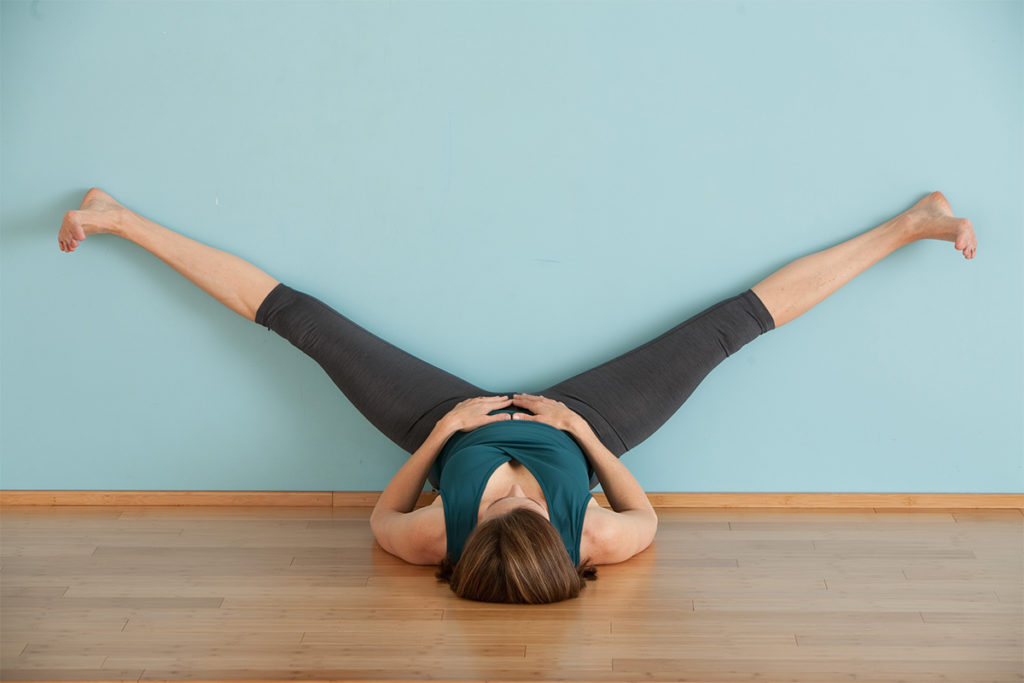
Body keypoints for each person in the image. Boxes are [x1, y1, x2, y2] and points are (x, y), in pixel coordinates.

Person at [58, 188, 977, 604]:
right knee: (727, 326)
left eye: (500, 504)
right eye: (521, 503)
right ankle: (911, 223)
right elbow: (644, 511)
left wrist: (444, 434)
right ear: (560, 534)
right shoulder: (597, 536)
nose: (511, 491)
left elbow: (385, 510)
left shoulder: (428, 537)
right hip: (587, 424)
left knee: (304, 321)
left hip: (440, 421)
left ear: (466, 537)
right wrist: (581, 430)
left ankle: (121, 216)